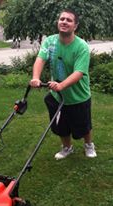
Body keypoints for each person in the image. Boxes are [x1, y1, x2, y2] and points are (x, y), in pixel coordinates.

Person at [30, 9, 97, 160]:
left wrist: (62, 85)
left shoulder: (81, 47)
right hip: (57, 95)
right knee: (61, 126)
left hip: (78, 96)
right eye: (62, 19)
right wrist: (36, 77)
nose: (64, 22)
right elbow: (40, 59)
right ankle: (67, 147)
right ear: (58, 22)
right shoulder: (50, 41)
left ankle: (88, 145)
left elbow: (78, 72)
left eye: (69, 20)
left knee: (84, 126)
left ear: (75, 26)